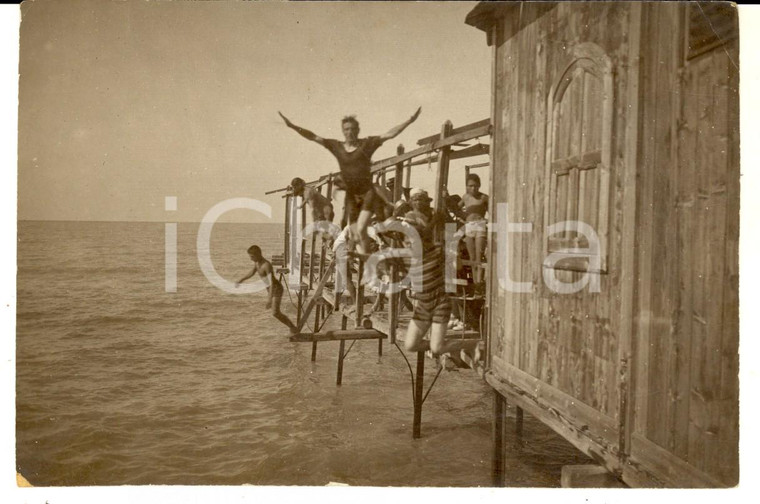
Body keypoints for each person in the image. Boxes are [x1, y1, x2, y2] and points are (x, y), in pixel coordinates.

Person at [278, 108, 421, 255]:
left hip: (367, 193)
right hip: (351, 197)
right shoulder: (337, 147)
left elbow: (390, 134)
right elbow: (313, 137)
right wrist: (293, 126)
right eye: (346, 129)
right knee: (354, 235)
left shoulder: (367, 144)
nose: (349, 132)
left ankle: (370, 255)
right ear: (342, 130)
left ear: (358, 130)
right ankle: (367, 261)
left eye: (353, 129)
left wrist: (409, 121)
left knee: (360, 228)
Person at [402, 188, 480, 365]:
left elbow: (454, 258)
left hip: (438, 302)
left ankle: (472, 343)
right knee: (410, 345)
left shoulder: (434, 249)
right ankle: (442, 344)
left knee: (437, 347)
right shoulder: (410, 251)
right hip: (423, 303)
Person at [235, 245, 297, 334]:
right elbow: (252, 272)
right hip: (271, 289)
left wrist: (269, 298)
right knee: (276, 313)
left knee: (275, 313)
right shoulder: (257, 263)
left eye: (252, 256)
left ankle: (292, 327)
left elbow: (271, 283)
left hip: (276, 289)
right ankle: (292, 327)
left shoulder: (266, 265)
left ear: (258, 254)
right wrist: (241, 280)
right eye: (250, 256)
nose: (251, 259)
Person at [459, 173, 489, 287]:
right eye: (470, 186)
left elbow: (493, 210)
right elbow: (456, 208)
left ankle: (479, 281)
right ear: (467, 186)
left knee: (479, 255)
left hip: (480, 225)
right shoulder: (465, 197)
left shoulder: (484, 197)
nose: (473, 188)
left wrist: (486, 220)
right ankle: (475, 281)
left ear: (479, 185)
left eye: (475, 186)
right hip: (469, 226)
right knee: (472, 257)